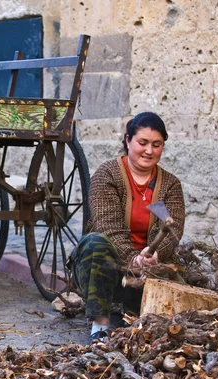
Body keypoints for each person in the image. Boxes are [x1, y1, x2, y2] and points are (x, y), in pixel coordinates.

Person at [68, 111, 185, 344]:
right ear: (128, 140)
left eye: (156, 144)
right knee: (96, 242)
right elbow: (108, 226)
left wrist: (155, 255)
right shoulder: (108, 175)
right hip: (107, 270)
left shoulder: (170, 184)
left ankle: (135, 313)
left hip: (147, 271)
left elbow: (172, 229)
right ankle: (99, 325)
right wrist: (133, 259)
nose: (149, 151)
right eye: (142, 143)